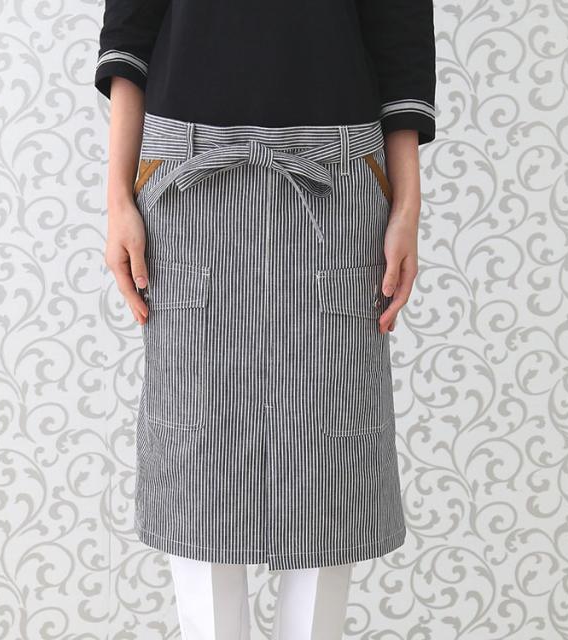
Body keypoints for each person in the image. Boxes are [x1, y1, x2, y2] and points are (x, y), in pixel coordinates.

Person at [94, 0, 436, 638]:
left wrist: (407, 205)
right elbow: (130, 34)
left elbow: (401, 37)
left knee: (329, 468)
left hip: (337, 176)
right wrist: (117, 197)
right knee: (198, 465)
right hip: (186, 174)